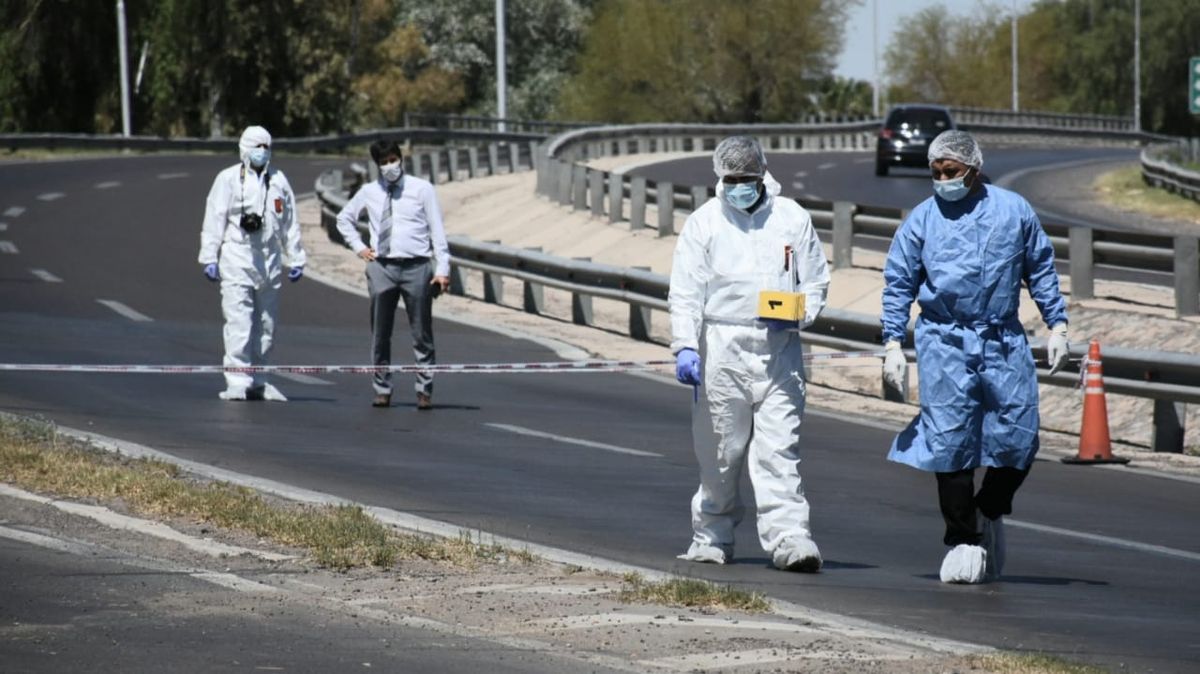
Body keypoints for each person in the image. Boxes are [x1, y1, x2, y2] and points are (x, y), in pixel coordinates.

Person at [880, 130, 1069, 584]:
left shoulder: (1013, 211)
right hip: (944, 340)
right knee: (951, 443)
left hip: (1002, 338)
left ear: (974, 168)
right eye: (936, 172)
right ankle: (963, 538)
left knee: (1019, 436)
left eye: (952, 171)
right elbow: (899, 281)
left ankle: (989, 508)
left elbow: (1040, 267)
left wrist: (1057, 324)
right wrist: (892, 343)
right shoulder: (923, 220)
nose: (943, 180)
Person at [668, 136, 831, 572]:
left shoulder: (791, 218)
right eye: (732, 179)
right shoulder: (704, 223)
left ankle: (790, 538)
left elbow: (816, 280)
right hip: (721, 349)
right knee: (721, 453)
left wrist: (798, 314)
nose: (740, 186)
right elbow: (685, 291)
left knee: (779, 451)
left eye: (748, 178)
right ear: (720, 178)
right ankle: (712, 536)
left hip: (779, 350)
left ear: (762, 175)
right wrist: (685, 345)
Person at [335, 139, 450, 409]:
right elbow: (344, 219)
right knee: (380, 332)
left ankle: (424, 390)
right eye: (384, 162)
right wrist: (360, 248)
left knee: (421, 333)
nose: (390, 166)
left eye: (393, 160)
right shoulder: (369, 191)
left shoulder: (422, 189)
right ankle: (382, 388)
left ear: (401, 159)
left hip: (417, 266)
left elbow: (437, 231)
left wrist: (442, 269)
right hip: (382, 267)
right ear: (377, 165)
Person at [198, 125, 306, 401]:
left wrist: (296, 256)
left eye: (266, 146)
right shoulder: (228, 179)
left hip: (270, 259)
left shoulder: (278, 180)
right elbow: (214, 218)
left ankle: (260, 379)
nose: (262, 151)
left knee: (266, 325)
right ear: (244, 149)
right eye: (257, 146)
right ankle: (237, 380)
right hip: (238, 257)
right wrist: (209, 256)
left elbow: (290, 221)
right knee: (239, 322)